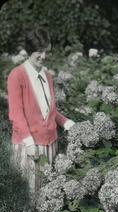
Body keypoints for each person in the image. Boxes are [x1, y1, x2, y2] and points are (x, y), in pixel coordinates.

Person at [7, 28, 75, 192]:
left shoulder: (47, 75)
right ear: (30, 50)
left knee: (47, 191)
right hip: (28, 146)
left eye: (47, 52)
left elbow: (48, 111)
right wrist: (29, 143)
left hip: (50, 144)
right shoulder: (17, 75)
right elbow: (16, 114)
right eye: (39, 51)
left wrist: (67, 123)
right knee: (30, 195)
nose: (44, 56)